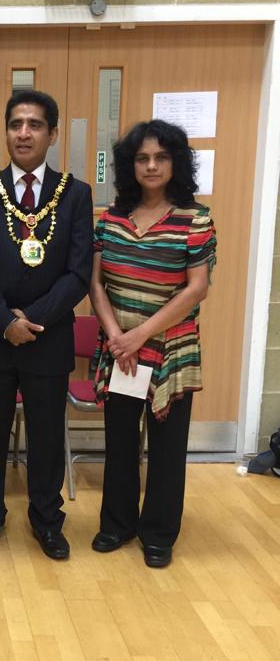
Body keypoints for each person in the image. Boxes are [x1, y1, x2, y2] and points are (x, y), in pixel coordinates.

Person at [0, 89, 93, 559]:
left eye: (34, 125)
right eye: (16, 124)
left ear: (52, 134)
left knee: (47, 437)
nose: (23, 133)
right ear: (6, 131)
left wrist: (31, 319)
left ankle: (47, 520)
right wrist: (4, 322)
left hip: (47, 337)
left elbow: (78, 272)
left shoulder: (75, 194)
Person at [89, 120, 216, 568]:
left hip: (170, 352)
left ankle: (159, 533)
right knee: (121, 442)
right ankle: (117, 524)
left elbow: (196, 289)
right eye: (142, 158)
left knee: (167, 447)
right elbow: (96, 284)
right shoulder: (110, 219)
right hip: (121, 351)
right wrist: (116, 336)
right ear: (130, 165)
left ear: (176, 163)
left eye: (161, 157)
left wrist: (140, 335)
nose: (151, 165)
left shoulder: (195, 219)